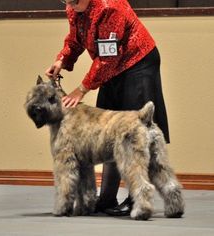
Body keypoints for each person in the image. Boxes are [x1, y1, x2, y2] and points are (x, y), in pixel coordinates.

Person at [45, 0, 170, 216]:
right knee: (107, 132)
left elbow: (108, 57)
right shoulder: (73, 7)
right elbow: (75, 40)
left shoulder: (110, 7)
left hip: (137, 63)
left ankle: (137, 199)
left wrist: (82, 89)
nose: (71, 6)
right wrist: (62, 60)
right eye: (67, 2)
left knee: (132, 134)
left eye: (75, 2)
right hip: (111, 68)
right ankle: (106, 198)